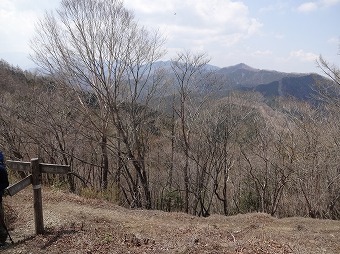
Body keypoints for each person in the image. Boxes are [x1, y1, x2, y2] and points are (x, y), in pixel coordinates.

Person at [0, 151, 9, 246]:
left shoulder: (1, 168)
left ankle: (2, 240)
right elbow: (6, 183)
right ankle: (2, 240)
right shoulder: (2, 168)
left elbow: (6, 183)